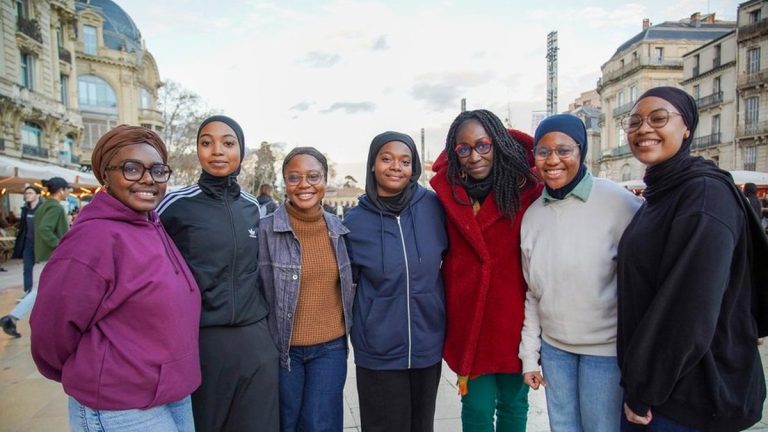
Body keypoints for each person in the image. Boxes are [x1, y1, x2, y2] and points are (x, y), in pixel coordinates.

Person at [30, 125, 201, 431]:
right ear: (105, 176)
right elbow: (51, 329)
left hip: (171, 392)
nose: (148, 179)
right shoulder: (94, 237)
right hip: (120, 404)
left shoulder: (151, 224)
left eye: (158, 170)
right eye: (131, 169)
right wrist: (91, 374)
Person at [617, 87, 766, 431]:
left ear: (687, 128)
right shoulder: (663, 193)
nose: (644, 129)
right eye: (635, 121)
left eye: (659, 118)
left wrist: (644, 390)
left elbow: (689, 308)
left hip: (689, 397)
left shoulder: (703, 194)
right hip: (666, 391)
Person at [519, 114, 641, 431]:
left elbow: (644, 282)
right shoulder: (532, 216)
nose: (553, 160)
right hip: (555, 351)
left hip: (606, 354)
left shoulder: (620, 204)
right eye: (543, 152)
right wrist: (530, 356)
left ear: (581, 150)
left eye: (564, 150)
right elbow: (533, 293)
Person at [158, 115, 279, 432]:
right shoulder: (174, 204)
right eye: (206, 142)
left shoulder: (254, 207)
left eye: (228, 143)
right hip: (202, 342)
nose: (217, 151)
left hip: (255, 342)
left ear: (241, 150)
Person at [430, 109, 542, 432]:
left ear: (498, 145)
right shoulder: (447, 197)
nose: (474, 156)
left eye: (483, 145)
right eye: (463, 149)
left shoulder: (528, 192)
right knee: (476, 409)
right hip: (470, 326)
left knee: (513, 405)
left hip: (515, 323)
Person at [344, 132, 448, 432]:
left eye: (405, 161)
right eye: (386, 159)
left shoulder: (433, 208)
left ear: (414, 167)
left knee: (421, 426)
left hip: (427, 344)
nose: (395, 167)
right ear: (373, 165)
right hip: (377, 351)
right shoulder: (354, 223)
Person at [259, 147, 354, 432]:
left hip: (330, 350)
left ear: (325, 179)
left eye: (313, 176)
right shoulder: (264, 230)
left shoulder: (340, 229)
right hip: (282, 351)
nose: (304, 185)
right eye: (294, 177)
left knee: (320, 424)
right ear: (284, 182)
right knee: (285, 424)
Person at [0, 177, 69, 338]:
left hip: (43, 254)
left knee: (45, 291)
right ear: (61, 190)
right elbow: (45, 229)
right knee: (41, 291)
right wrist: (61, 245)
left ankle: (15, 318)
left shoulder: (43, 207)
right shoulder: (55, 208)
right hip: (52, 255)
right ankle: (12, 317)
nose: (68, 192)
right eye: (66, 189)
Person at [12, 186, 42, 294]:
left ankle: (43, 293)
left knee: (44, 269)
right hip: (28, 244)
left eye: (30, 193)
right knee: (27, 269)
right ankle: (27, 291)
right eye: (26, 193)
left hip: (40, 244)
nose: (27, 195)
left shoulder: (43, 208)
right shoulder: (25, 209)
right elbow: (23, 227)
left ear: (38, 195)